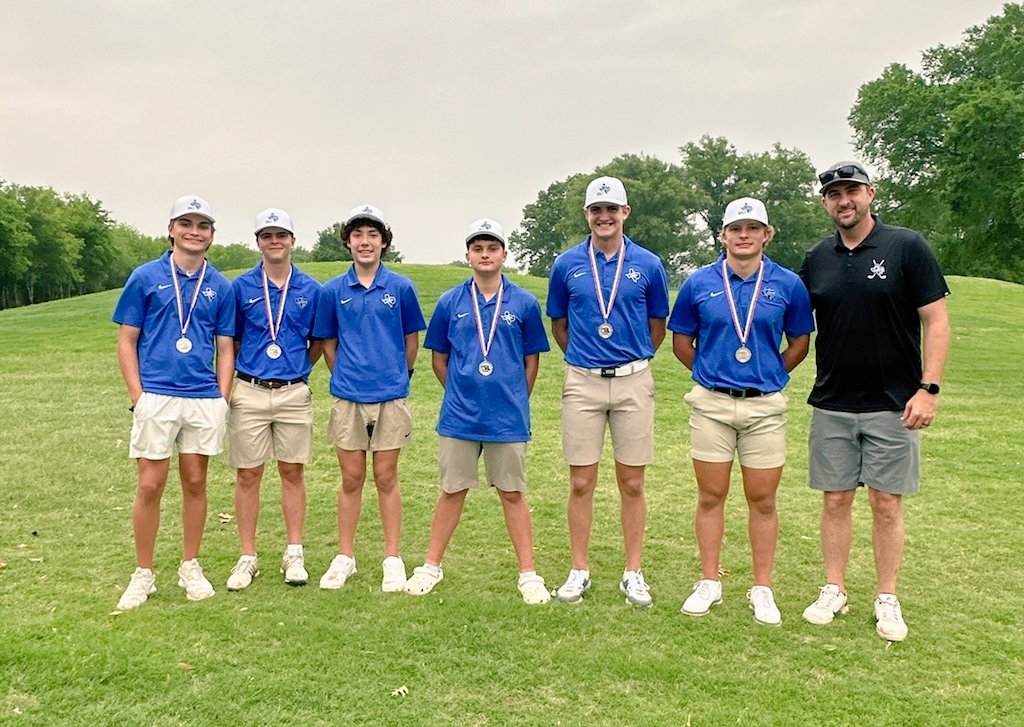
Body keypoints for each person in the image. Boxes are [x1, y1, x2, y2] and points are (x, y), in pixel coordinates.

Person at [799, 161, 951, 642]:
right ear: (825, 203)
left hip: (894, 403)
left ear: (870, 194)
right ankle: (834, 587)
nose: (844, 201)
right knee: (836, 499)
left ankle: (887, 596)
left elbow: (937, 321)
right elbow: (793, 323)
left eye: (852, 191)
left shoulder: (907, 246)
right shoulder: (816, 257)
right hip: (833, 401)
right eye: (834, 194)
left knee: (887, 503)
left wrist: (929, 389)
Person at [669, 197, 814, 625]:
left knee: (763, 499)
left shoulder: (787, 284)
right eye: (736, 229)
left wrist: (769, 373)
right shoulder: (699, 282)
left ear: (767, 235)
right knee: (711, 496)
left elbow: (800, 342)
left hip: (765, 406)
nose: (744, 235)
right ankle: (710, 581)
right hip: (711, 403)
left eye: (753, 228)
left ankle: (762, 588)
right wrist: (713, 373)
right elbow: (681, 342)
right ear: (723, 235)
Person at [404, 219, 551, 604]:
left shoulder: (523, 303)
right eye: (477, 249)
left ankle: (528, 574)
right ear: (468, 255)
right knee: (452, 490)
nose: (484, 255)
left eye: (492, 248)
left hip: (507, 418)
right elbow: (439, 357)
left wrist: (516, 397)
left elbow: (531, 361)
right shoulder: (451, 301)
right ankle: (430, 566)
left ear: (504, 254)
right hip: (460, 416)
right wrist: (459, 391)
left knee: (513, 493)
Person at [546, 176, 670, 607]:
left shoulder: (649, 264)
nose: (604, 217)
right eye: (596, 210)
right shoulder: (566, 265)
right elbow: (559, 324)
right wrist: (585, 357)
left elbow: (657, 325)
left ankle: (633, 572)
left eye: (611, 209)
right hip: (582, 381)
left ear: (625, 213)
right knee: (581, 481)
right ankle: (579, 569)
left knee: (632, 481)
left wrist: (633, 357)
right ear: (587, 215)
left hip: (634, 379)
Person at [113, 195, 235, 610]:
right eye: (186, 223)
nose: (194, 231)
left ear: (212, 235)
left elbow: (225, 347)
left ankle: (190, 565)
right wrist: (137, 396)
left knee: (195, 481)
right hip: (157, 395)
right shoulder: (145, 277)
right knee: (150, 484)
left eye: (202, 225)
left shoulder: (220, 285)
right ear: (171, 229)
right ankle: (143, 573)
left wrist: (222, 396)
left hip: (202, 397)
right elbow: (127, 341)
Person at [312, 204, 426, 592]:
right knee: (351, 478)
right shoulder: (332, 291)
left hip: (390, 395)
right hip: (348, 397)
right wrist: (344, 376)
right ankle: (345, 556)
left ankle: (392, 558)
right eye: (358, 235)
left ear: (383, 243)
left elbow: (411, 340)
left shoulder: (401, 287)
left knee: (386, 477)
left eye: (372, 235)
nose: (365, 242)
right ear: (347, 242)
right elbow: (328, 342)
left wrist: (400, 375)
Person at [224, 209, 323, 591]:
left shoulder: (311, 289)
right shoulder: (241, 287)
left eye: (281, 234)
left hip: (293, 391)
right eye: (267, 235)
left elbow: (317, 342)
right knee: (248, 473)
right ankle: (247, 556)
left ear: (293, 241)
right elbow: (230, 341)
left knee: (292, 471)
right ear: (258, 242)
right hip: (249, 389)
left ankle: (294, 551)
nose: (275, 241)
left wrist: (297, 369)